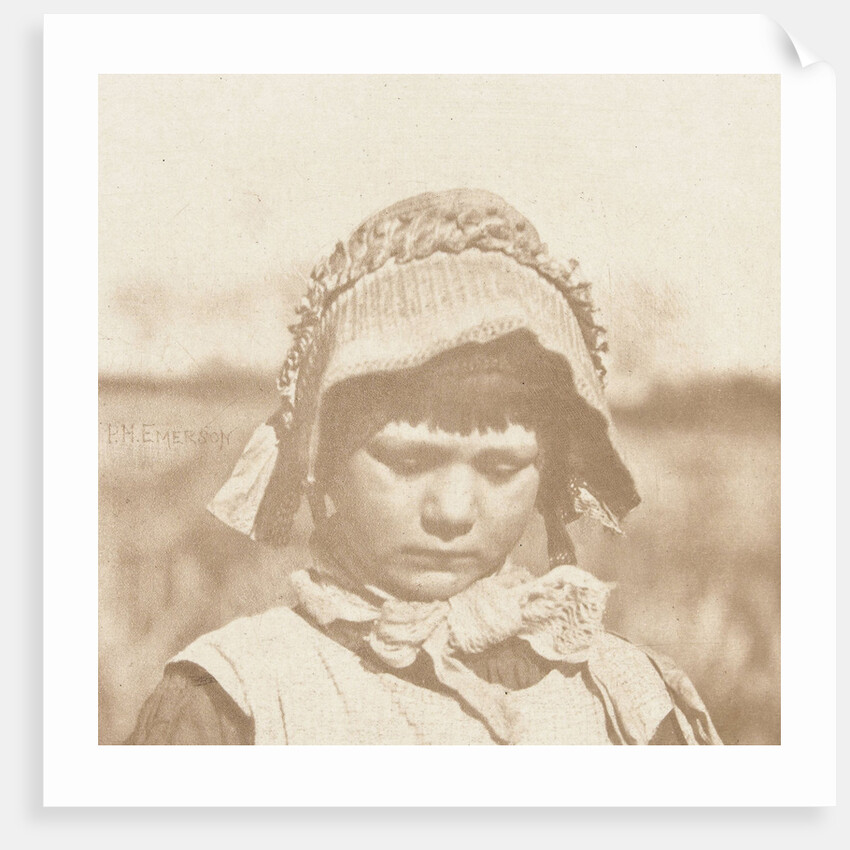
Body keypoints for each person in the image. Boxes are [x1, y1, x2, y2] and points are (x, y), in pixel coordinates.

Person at [127, 188, 722, 745]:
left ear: (550, 475)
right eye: (408, 460)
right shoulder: (233, 699)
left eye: (502, 466)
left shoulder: (630, 700)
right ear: (322, 460)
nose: (453, 512)